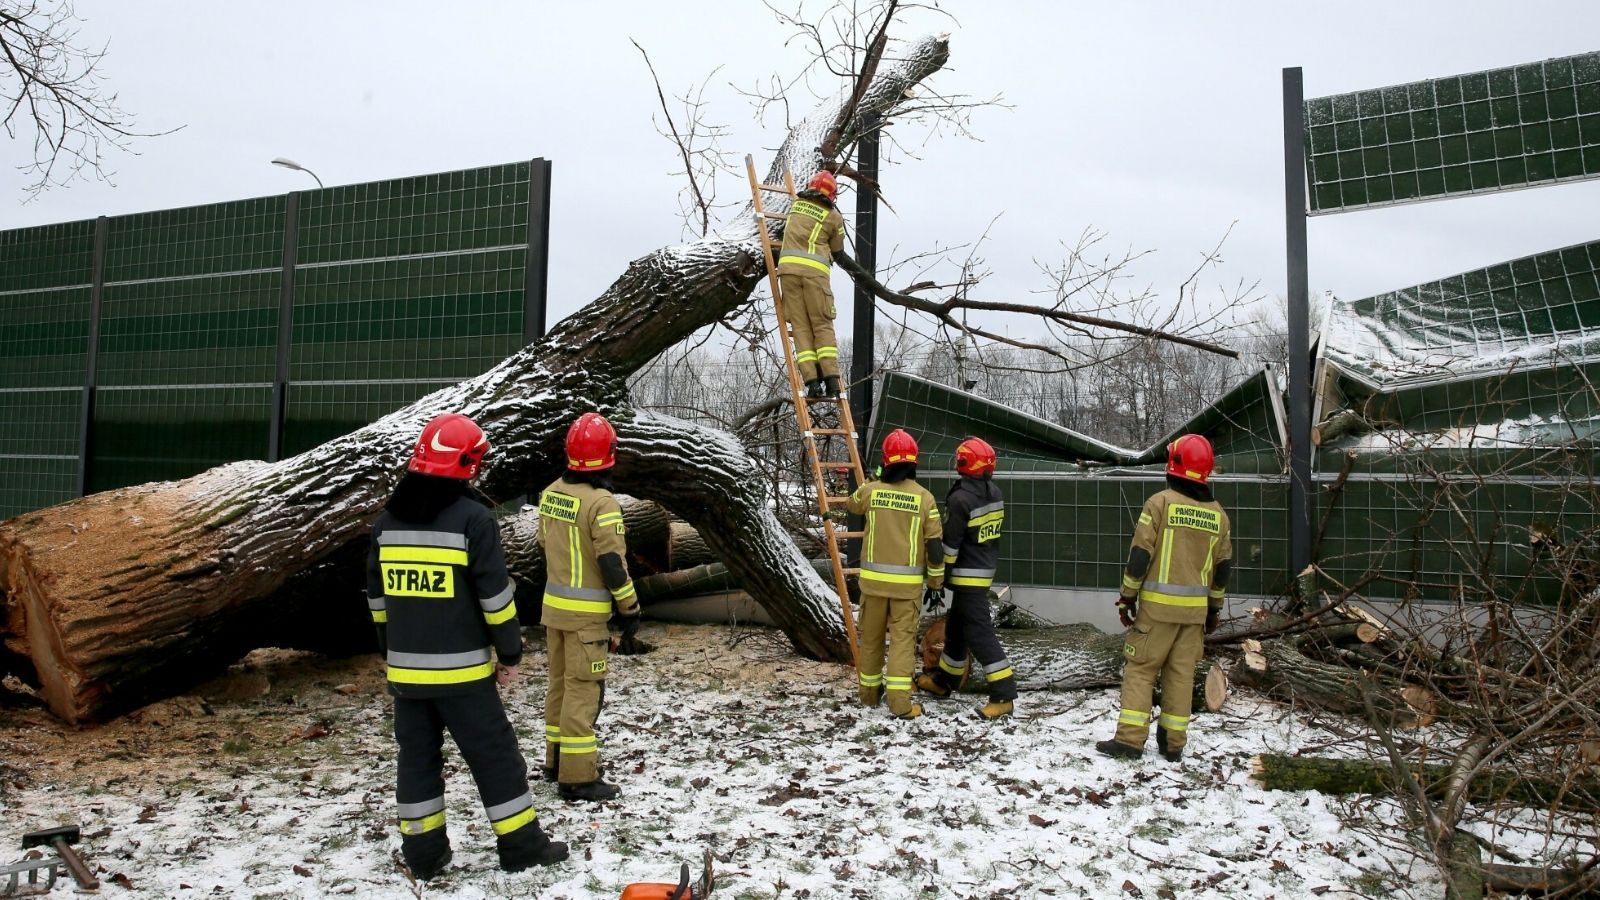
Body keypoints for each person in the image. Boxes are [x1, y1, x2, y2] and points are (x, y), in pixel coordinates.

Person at [366, 413, 567, 880]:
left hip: (406, 676)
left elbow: (377, 601)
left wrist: (388, 650)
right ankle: (521, 844)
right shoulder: (473, 520)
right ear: (468, 464)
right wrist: (511, 652)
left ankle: (424, 855)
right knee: (495, 756)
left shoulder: (385, 525)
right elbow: (495, 599)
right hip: (463, 678)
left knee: (417, 761)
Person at [1096, 434, 1232, 762]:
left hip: (1157, 612)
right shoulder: (1219, 516)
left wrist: (1127, 598)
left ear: (1174, 465)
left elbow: (1140, 556)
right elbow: (1222, 570)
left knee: (1141, 670)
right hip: (1194, 616)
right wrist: (1213, 611)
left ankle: (1129, 741)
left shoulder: (1159, 504)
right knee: (1181, 676)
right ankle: (1173, 744)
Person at [539, 412, 642, 801]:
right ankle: (579, 777)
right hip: (586, 621)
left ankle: (556, 760)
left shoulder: (551, 494)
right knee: (584, 692)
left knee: (559, 688)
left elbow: (542, 546)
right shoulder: (603, 503)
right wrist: (629, 608)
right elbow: (613, 564)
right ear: (609, 456)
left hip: (554, 611)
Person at [915, 437, 1018, 719]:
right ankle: (944, 681)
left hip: (965, 574)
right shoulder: (994, 492)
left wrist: (936, 578)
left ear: (962, 463)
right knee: (957, 630)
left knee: (980, 634)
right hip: (983, 570)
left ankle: (1004, 694)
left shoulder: (960, 499)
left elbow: (949, 546)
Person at [845, 428, 944, 719]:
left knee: (872, 640)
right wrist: (936, 582)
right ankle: (900, 704)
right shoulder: (925, 499)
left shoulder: (872, 491)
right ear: (915, 462)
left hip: (873, 586)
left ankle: (869, 695)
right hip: (907, 590)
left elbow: (852, 503)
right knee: (901, 643)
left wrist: (875, 477)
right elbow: (935, 547)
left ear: (885, 462)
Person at [776, 170, 847, 400]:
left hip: (787, 274)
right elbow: (837, 250)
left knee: (800, 328)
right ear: (832, 195)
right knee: (822, 325)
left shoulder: (796, 206)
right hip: (815, 276)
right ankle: (832, 381)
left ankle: (812, 383)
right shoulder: (833, 216)